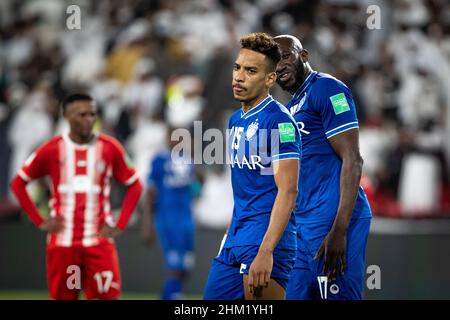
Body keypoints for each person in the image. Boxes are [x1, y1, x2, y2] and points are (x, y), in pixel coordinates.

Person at [10, 93, 143, 300]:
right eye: (82, 114)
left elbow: (135, 184)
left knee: (108, 297)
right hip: (63, 245)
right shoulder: (51, 149)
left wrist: (121, 223)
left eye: (92, 114)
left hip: (99, 243)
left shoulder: (110, 147)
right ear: (66, 116)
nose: (89, 119)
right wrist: (39, 220)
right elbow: (18, 183)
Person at [203, 32, 301, 300]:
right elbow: (247, 188)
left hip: (266, 240)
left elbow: (288, 191)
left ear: (270, 78)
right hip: (235, 238)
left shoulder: (280, 122)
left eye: (250, 70)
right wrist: (228, 235)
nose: (239, 76)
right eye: (237, 68)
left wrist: (266, 251)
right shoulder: (235, 120)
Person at [273, 35, 372, 300]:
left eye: (285, 56)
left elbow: (353, 159)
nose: (279, 66)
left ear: (304, 56)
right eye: (273, 63)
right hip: (302, 227)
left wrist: (340, 229)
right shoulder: (287, 110)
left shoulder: (328, 89)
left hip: (330, 221)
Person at [141, 127, 204, 300]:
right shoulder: (159, 160)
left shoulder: (188, 161)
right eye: (174, 136)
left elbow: (201, 182)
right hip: (167, 219)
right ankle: (174, 296)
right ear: (168, 138)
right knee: (175, 265)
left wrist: (194, 155)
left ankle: (168, 295)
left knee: (186, 267)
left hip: (187, 220)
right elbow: (150, 193)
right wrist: (147, 224)